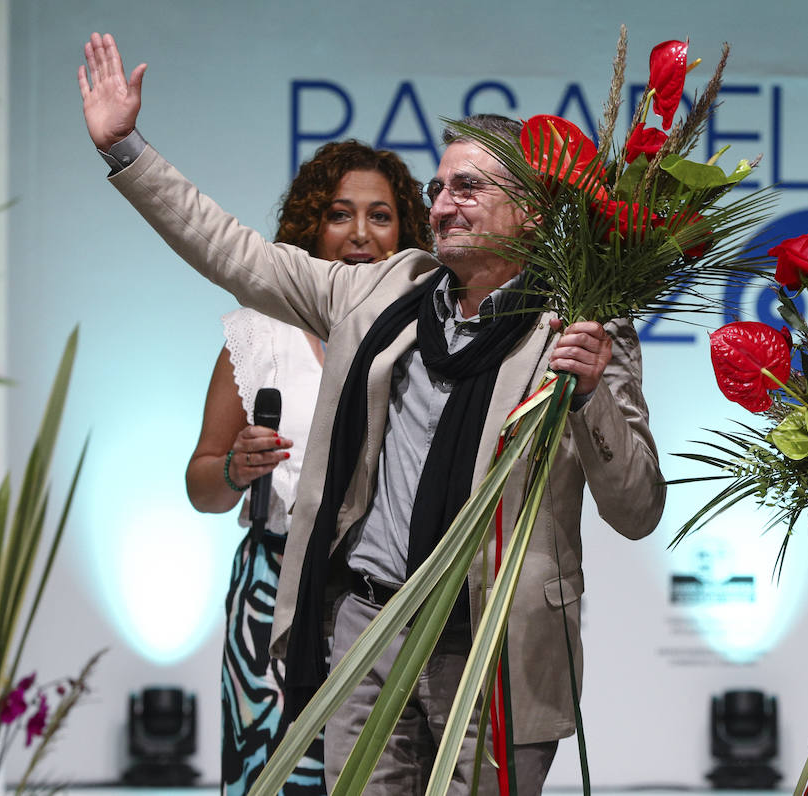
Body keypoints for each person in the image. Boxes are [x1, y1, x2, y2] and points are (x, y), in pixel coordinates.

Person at [78, 33, 664, 795]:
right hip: (367, 633)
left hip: (494, 652)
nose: (439, 205)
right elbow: (233, 253)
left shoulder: (582, 325)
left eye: (467, 189)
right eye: (439, 185)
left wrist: (589, 396)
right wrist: (126, 149)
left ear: (528, 209)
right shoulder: (384, 292)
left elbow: (639, 505)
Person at [185, 140, 432, 795]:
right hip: (273, 595)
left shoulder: (430, 336)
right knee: (274, 777)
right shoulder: (258, 332)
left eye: (380, 216)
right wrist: (234, 469)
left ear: (405, 230)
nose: (359, 234)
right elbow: (201, 484)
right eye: (339, 214)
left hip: (383, 595)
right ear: (308, 227)